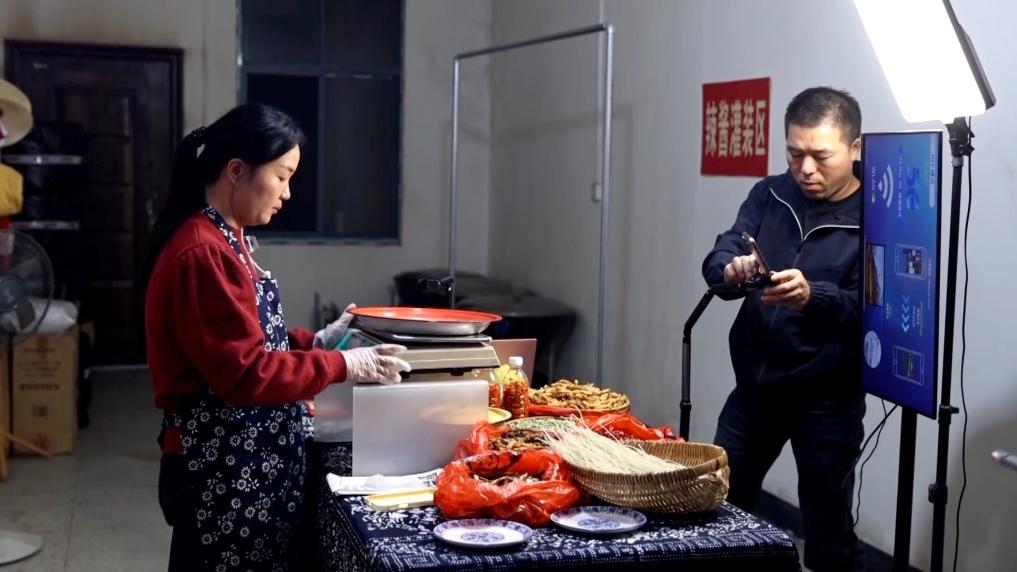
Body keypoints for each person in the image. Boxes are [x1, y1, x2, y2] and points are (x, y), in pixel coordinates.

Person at [143, 102, 411, 571]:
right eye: (282, 176)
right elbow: (245, 373)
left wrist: (315, 342)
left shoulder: (227, 238)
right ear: (236, 171)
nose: (287, 193)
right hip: (222, 469)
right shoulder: (203, 252)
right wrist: (344, 365)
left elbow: (243, 337)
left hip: (246, 460)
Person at [701, 87, 866, 572]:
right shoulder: (770, 194)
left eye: (821, 156)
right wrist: (730, 269)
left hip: (828, 401)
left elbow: (875, 310)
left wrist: (815, 295)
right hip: (755, 389)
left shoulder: (876, 216)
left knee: (829, 535)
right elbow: (722, 251)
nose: (806, 169)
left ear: (854, 149)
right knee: (717, 511)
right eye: (795, 153)